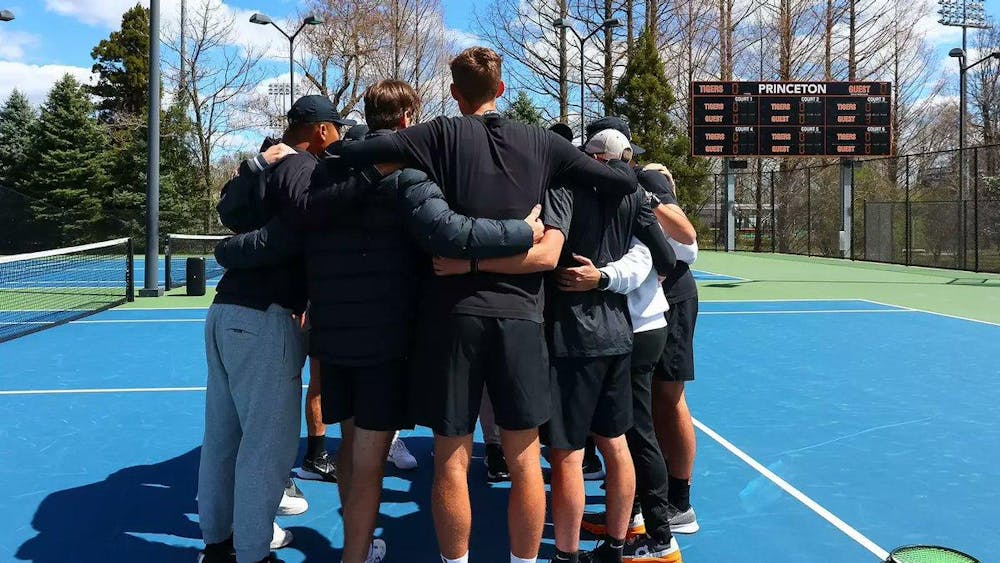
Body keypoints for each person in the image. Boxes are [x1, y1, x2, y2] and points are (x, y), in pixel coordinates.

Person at [334, 47, 643, 563]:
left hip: (450, 319)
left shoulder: (434, 135)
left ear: (455, 94)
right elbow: (622, 181)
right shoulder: (542, 143)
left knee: (451, 458)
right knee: (524, 458)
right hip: (521, 318)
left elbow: (355, 153)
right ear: (501, 89)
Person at [216, 80, 542, 563]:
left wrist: (228, 250)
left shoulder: (319, 178)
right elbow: (453, 234)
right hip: (382, 341)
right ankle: (354, 555)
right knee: (368, 461)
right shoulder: (404, 179)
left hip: (333, 338)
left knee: (350, 451)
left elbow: (272, 231)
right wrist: (523, 231)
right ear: (409, 121)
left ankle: (359, 547)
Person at [198, 96, 354, 563]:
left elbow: (231, 212)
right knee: (266, 447)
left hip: (224, 313)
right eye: (338, 129)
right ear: (323, 130)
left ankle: (220, 545)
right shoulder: (302, 168)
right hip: (263, 319)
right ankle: (251, 552)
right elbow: (295, 230)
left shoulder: (264, 165)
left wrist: (251, 169)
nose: (342, 137)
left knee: (223, 439)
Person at [541, 128, 678, 563]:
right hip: (620, 333)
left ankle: (566, 554)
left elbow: (548, 248)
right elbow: (669, 258)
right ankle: (616, 548)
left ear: (591, 158)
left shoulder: (565, 188)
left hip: (571, 334)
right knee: (616, 442)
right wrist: (614, 272)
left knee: (566, 452)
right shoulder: (634, 197)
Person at [642, 165, 701, 535]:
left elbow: (689, 241)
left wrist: (652, 194)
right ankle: (648, 494)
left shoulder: (648, 180)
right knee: (647, 399)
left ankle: (680, 503)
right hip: (649, 300)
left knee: (669, 396)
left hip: (674, 298)